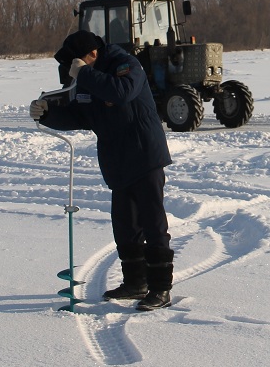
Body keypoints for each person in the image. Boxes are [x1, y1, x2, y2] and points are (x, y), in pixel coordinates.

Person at [29, 29, 175, 311]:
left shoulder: (125, 65)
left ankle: (160, 289)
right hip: (117, 160)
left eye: (75, 63)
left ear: (92, 54)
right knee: (125, 225)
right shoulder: (88, 80)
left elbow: (121, 93)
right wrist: (48, 114)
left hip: (145, 156)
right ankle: (136, 283)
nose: (71, 70)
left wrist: (84, 74)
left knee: (153, 223)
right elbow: (82, 115)